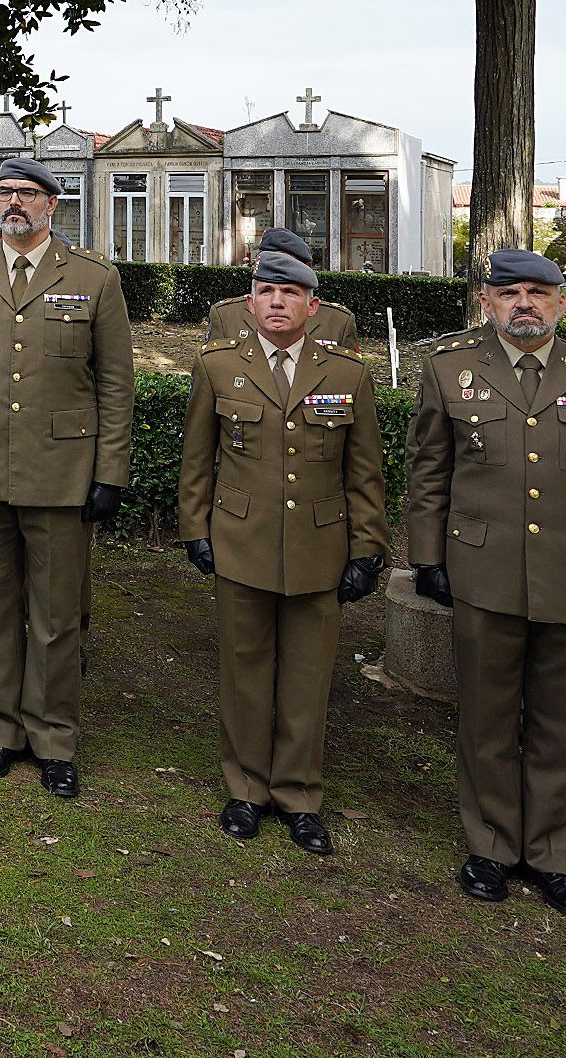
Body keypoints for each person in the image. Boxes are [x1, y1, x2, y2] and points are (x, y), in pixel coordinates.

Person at [406, 249, 566, 925]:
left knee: (559, 724)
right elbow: (428, 472)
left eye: (538, 294)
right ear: (485, 302)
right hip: (481, 575)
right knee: (484, 719)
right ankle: (489, 846)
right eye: (508, 292)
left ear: (560, 304)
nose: (523, 303)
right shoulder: (450, 371)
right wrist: (426, 557)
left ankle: (551, 856)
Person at [0, 157, 135, 799]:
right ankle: (0, 729)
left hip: (60, 468)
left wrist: (110, 471)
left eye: (27, 193)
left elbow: (115, 383)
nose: (14, 202)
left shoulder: (94, 279)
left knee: (54, 614)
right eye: (5, 192)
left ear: (52, 203)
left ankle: (52, 738)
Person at [179, 249, 391, 855]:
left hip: (318, 547)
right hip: (240, 540)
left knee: (306, 677)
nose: (278, 302)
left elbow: (365, 471)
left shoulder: (347, 373)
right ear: (250, 303)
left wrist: (368, 545)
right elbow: (197, 459)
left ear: (312, 306)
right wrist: (194, 527)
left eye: (291, 294)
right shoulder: (218, 367)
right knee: (244, 671)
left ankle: (298, 794)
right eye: (267, 292)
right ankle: (246, 790)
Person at [205, 228, 359, 348]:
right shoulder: (225, 316)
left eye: (284, 265)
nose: (274, 271)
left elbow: (348, 379)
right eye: (268, 263)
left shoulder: (338, 321)